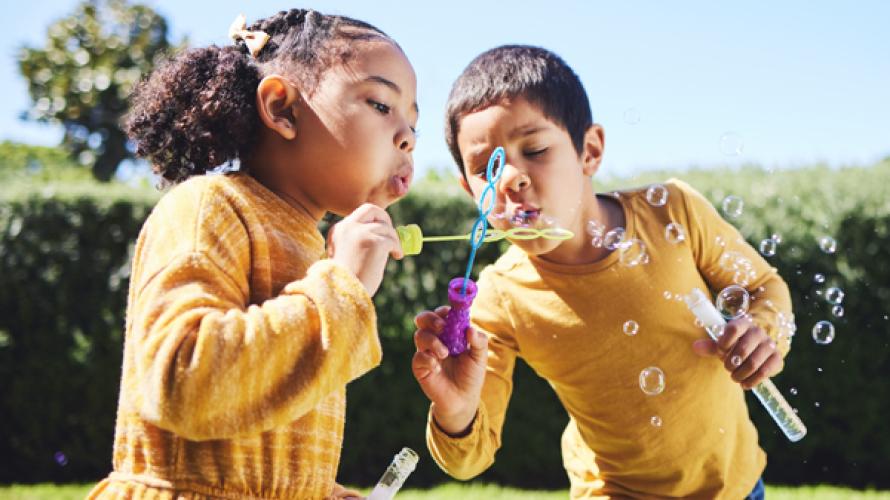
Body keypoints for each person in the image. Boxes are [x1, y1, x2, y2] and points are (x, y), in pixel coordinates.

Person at [411, 45, 792, 499]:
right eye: (486, 170)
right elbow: (469, 458)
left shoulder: (673, 211)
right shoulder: (498, 298)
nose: (512, 178)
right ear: (469, 190)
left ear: (589, 151)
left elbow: (764, 287)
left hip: (738, 487)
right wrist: (456, 410)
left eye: (534, 149)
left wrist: (762, 331)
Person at [88, 8, 417, 499]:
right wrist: (341, 290)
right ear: (282, 108)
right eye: (381, 105)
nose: (407, 137)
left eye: (414, 121)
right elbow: (184, 381)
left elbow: (262, 452)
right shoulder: (209, 209)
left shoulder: (312, 249)